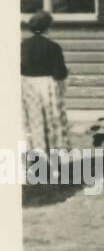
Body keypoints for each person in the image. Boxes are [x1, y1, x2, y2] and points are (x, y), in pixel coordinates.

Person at [21, 11, 70, 154]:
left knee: (34, 123)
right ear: (48, 27)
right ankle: (55, 161)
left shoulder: (23, 45)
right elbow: (60, 74)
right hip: (47, 87)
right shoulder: (53, 47)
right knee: (52, 123)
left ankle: (36, 158)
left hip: (27, 87)